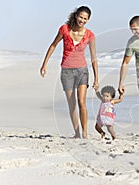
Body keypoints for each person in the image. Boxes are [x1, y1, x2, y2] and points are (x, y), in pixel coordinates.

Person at [40, 6, 99, 139]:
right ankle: (77, 133)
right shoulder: (64, 29)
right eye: (80, 17)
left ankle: (85, 133)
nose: (82, 20)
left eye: (85, 18)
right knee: (72, 104)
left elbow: (94, 57)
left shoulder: (90, 35)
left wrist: (96, 78)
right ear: (76, 15)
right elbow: (53, 45)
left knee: (81, 102)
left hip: (82, 71)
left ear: (88, 20)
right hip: (66, 72)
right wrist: (45, 64)